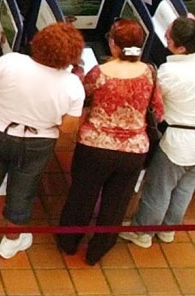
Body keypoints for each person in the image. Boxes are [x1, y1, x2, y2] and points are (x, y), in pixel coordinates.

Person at [0, 22, 85, 259]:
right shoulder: (72, 85)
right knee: (23, 192)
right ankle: (11, 242)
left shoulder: (12, 62)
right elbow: (69, 128)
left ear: (38, 42)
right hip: (38, 142)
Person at [57, 19, 163, 264]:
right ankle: (98, 251)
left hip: (96, 146)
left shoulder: (101, 73)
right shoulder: (150, 72)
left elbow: (83, 92)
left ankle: (69, 242)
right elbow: (158, 111)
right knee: (116, 204)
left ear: (113, 45)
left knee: (82, 196)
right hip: (134, 150)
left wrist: (79, 70)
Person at [121, 18, 195, 248]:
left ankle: (143, 232)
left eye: (168, 38)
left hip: (179, 141)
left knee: (158, 188)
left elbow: (155, 102)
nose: (165, 39)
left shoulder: (171, 72)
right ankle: (168, 230)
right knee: (185, 188)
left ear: (181, 48)